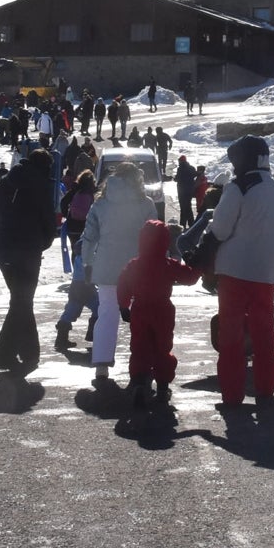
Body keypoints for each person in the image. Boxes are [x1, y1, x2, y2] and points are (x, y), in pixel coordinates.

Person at [181, 136, 274, 407]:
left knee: (231, 335)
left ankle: (232, 393)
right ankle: (265, 387)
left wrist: (201, 254)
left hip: (235, 272)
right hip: (267, 273)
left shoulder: (239, 188)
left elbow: (219, 229)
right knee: (264, 332)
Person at [80, 161, 157, 382]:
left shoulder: (101, 204)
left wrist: (87, 263)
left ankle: (102, 364)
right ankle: (144, 362)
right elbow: (154, 234)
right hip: (137, 267)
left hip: (106, 266)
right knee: (141, 315)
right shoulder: (145, 203)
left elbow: (89, 237)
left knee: (107, 314)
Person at [0, 148, 57, 376]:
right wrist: (42, 243)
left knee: (21, 301)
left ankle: (29, 352)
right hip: (27, 252)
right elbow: (49, 222)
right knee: (21, 302)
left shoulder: (8, 179)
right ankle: (4, 354)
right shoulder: (41, 185)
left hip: (4, 252)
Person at [116, 220, 200, 407]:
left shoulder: (134, 265)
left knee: (139, 347)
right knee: (162, 348)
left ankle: (139, 381)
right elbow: (190, 278)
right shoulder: (168, 264)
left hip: (139, 308)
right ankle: (162, 386)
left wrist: (123, 306)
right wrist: (197, 265)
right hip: (163, 310)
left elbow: (123, 285)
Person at [55, 237, 98, 351]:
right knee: (98, 307)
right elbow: (92, 273)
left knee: (71, 311)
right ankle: (93, 334)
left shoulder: (79, 257)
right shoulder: (88, 258)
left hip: (77, 287)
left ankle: (61, 338)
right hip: (85, 287)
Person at [60, 168, 97, 247]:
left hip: (72, 225)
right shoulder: (93, 192)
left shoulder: (74, 190)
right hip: (86, 227)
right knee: (86, 249)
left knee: (75, 248)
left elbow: (63, 202)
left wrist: (66, 215)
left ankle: (74, 259)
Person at [174, 155, 198, 227]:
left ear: (181, 161)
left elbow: (177, 178)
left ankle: (183, 224)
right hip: (190, 191)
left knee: (183, 207)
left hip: (182, 191)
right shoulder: (191, 168)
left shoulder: (180, 169)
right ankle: (191, 223)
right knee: (188, 206)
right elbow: (195, 174)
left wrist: (174, 178)